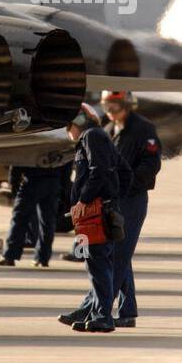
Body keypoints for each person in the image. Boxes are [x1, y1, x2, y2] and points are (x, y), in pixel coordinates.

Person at [56, 103, 125, 333]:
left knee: (97, 262)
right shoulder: (96, 137)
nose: (69, 132)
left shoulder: (91, 136)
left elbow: (99, 170)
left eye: (69, 126)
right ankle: (90, 310)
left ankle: (102, 316)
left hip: (94, 213)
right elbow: (124, 172)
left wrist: (86, 201)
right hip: (95, 211)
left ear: (79, 122)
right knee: (96, 261)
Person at [101, 90, 161, 328]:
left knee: (118, 253)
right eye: (107, 107)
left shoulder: (144, 129)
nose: (111, 112)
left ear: (127, 105)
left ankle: (101, 309)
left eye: (115, 107)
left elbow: (151, 163)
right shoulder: (109, 130)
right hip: (113, 198)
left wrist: (128, 183)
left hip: (132, 199)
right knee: (119, 253)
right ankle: (127, 311)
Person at [0, 163, 70, 267]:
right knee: (47, 222)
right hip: (53, 182)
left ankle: (9, 256)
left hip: (32, 180)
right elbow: (67, 161)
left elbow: (23, 155)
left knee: (20, 219)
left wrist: (13, 181)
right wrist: (64, 187)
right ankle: (42, 258)